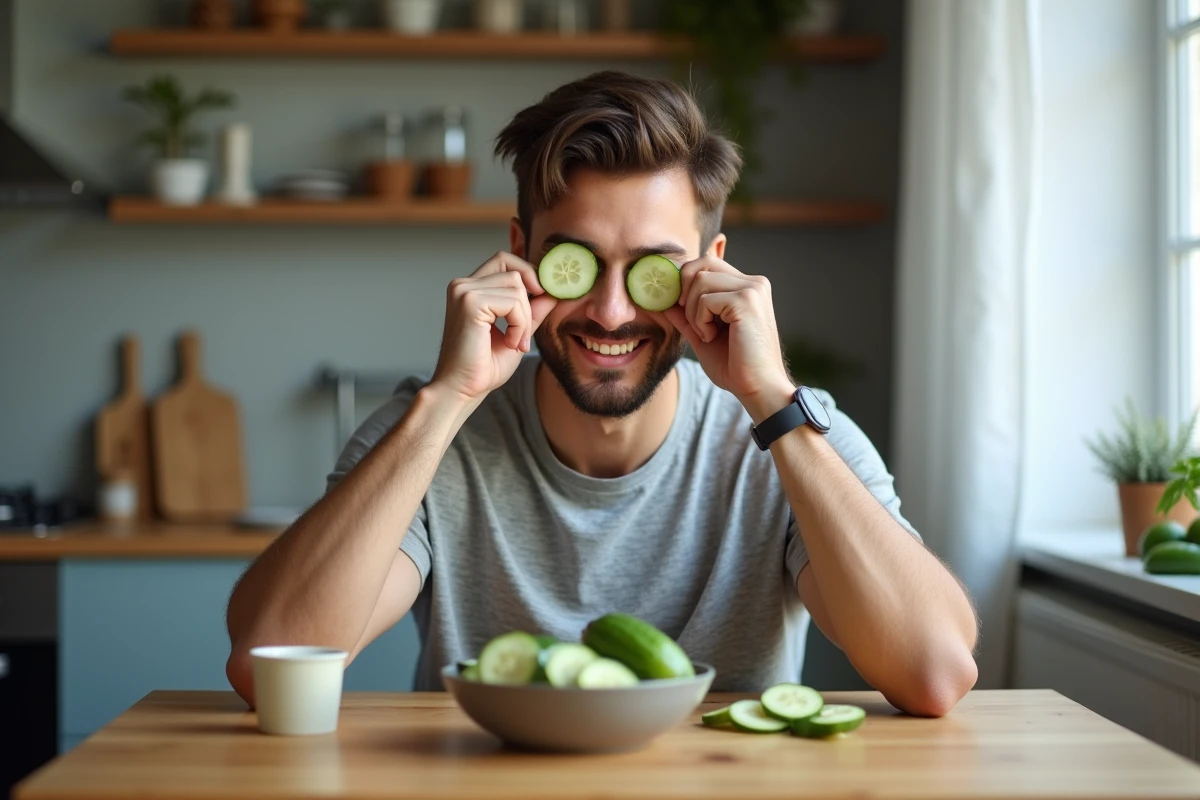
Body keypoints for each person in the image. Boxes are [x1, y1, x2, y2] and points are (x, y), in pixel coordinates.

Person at [225, 71, 978, 716]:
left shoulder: (793, 436)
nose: (613, 312)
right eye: (575, 264)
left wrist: (771, 399)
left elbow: (935, 673)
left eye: (652, 270)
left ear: (712, 267)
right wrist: (450, 396)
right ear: (519, 256)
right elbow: (265, 664)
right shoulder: (425, 433)